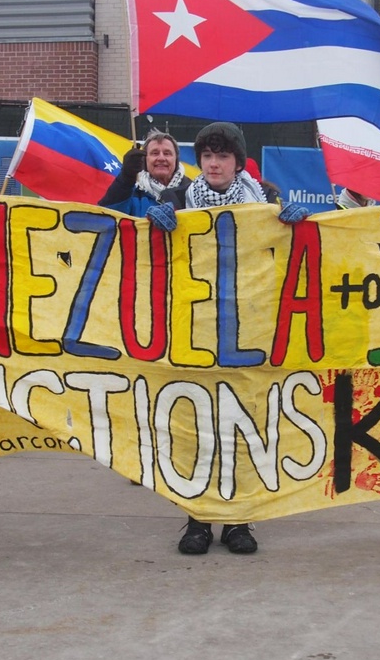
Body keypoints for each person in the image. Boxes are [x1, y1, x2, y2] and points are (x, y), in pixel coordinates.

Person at [144, 121, 302, 555]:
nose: (214, 164)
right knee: (198, 426)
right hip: (196, 329)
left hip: (250, 329)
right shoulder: (177, 199)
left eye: (223, 156)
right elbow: (149, 253)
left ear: (238, 161)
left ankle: (238, 521)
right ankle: (198, 519)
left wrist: (299, 227)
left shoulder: (266, 199)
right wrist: (151, 224)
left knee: (245, 424)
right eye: (208, 156)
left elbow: (288, 252)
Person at [98, 129, 187, 217]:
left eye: (167, 153)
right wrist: (126, 177)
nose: (161, 158)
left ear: (176, 159)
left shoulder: (192, 192)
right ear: (144, 160)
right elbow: (106, 217)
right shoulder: (132, 195)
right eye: (155, 153)